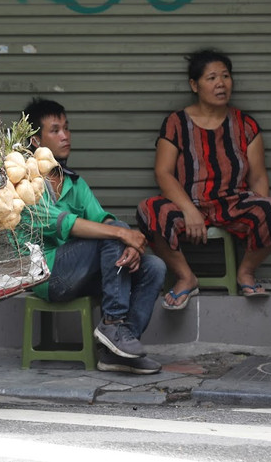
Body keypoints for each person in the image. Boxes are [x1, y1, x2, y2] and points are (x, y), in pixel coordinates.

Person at [16, 98, 166, 375]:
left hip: (81, 272)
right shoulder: (26, 184)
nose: (65, 136)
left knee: (154, 267)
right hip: (48, 276)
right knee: (111, 234)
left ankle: (116, 352)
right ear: (36, 141)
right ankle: (112, 322)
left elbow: (102, 218)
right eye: (55, 130)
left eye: (67, 128)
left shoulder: (74, 182)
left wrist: (126, 241)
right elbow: (65, 224)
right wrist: (122, 234)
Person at [137, 49, 271, 309]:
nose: (221, 83)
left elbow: (259, 176)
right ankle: (186, 278)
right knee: (149, 210)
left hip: (233, 203)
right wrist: (188, 210)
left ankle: (246, 273)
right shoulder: (176, 122)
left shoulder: (246, 125)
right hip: (189, 203)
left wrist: (259, 223)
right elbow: (163, 173)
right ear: (194, 85)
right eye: (212, 78)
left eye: (226, 76)